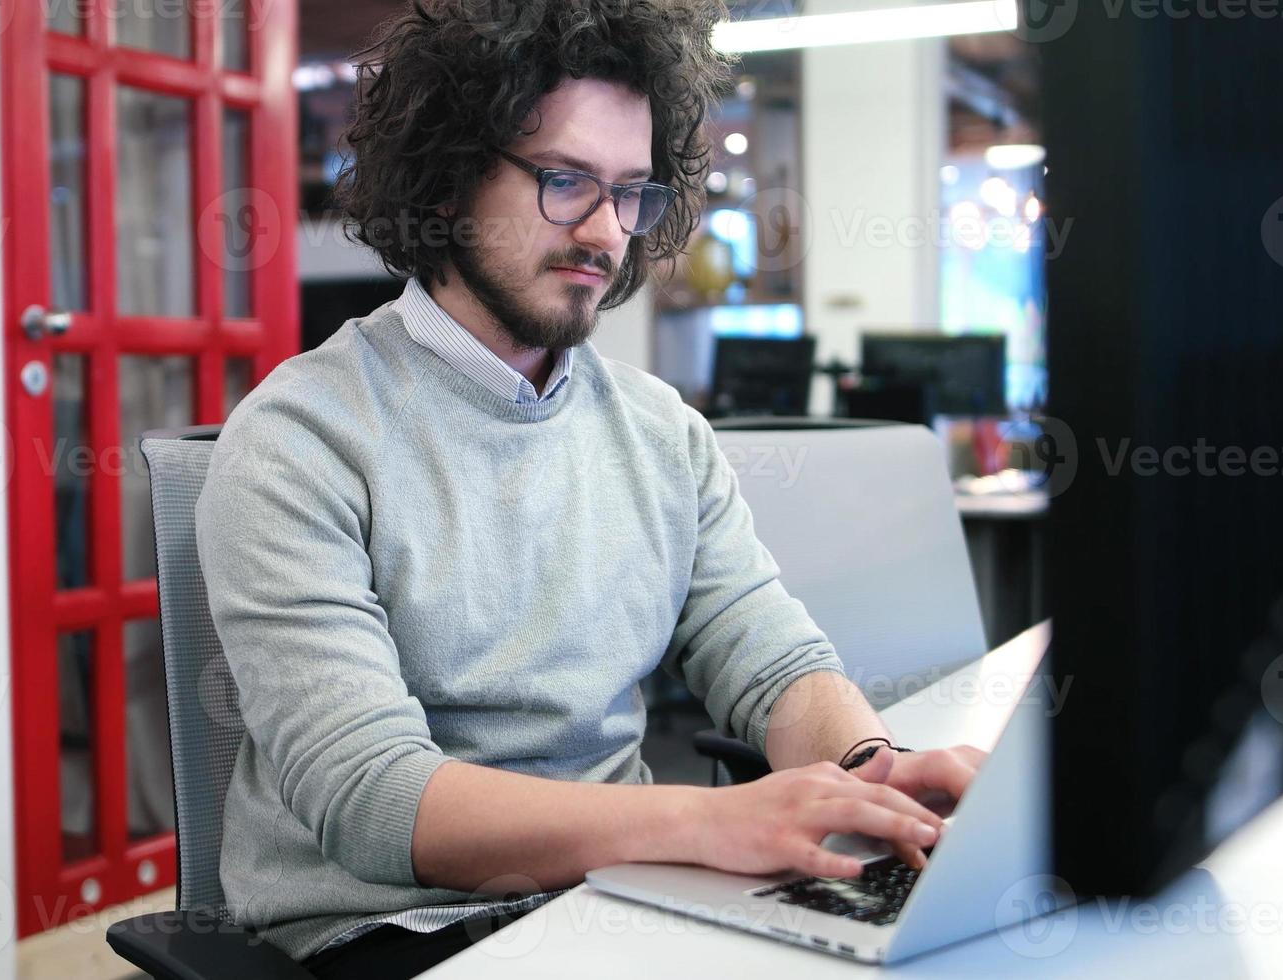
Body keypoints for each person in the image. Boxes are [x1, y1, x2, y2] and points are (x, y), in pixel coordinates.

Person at [195, 2, 985, 976]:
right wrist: (712, 820)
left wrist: (875, 769)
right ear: (445, 182)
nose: (605, 232)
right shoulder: (298, 441)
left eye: (630, 192)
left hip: (618, 895)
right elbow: (373, 800)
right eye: (563, 181)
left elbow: (769, 657)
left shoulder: (660, 433)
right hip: (393, 931)